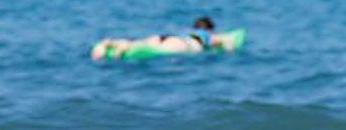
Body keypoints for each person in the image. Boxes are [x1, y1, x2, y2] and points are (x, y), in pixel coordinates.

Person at [91, 16, 240, 60]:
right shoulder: (208, 36)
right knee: (158, 49)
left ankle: (110, 43)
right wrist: (230, 52)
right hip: (181, 44)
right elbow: (226, 41)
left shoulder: (191, 33)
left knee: (137, 43)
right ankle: (121, 47)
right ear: (210, 29)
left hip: (166, 37)